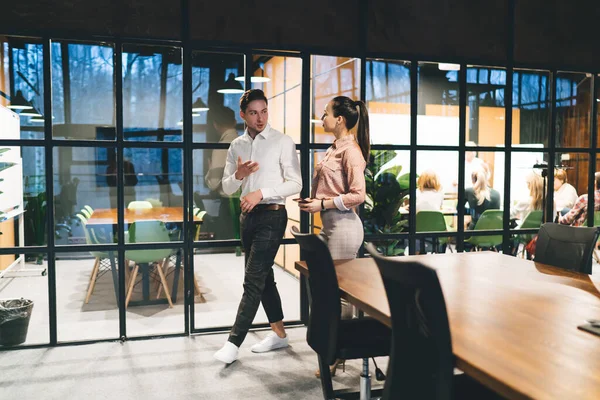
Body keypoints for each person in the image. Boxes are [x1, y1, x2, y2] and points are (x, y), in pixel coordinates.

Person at [213, 89, 302, 364]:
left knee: (252, 280)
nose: (260, 117)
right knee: (264, 279)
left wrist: (260, 192)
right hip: (247, 218)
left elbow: (296, 183)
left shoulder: (282, 141)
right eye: (253, 112)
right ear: (243, 115)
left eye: (264, 111)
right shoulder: (236, 145)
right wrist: (239, 175)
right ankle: (279, 334)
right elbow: (227, 187)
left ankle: (233, 342)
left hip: (272, 216)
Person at [297, 95, 370, 377]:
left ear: (339, 119)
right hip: (330, 224)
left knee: (339, 295)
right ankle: (332, 350)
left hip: (344, 227)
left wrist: (323, 204)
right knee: (325, 290)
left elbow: (358, 195)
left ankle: (338, 356)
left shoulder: (351, 151)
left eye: (325, 113)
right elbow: (329, 189)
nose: (322, 117)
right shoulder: (334, 148)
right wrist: (313, 201)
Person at [204, 106, 241, 239]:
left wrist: (210, 170)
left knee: (226, 250)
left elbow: (214, 183)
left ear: (215, 125)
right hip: (250, 205)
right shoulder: (248, 144)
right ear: (235, 122)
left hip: (229, 206)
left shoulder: (222, 147)